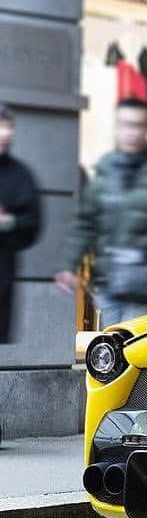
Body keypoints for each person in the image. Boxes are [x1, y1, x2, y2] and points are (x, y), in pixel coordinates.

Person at [55, 98, 147, 329]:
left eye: (138, 125)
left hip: (146, 284)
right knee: (112, 351)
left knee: (129, 350)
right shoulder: (105, 172)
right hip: (107, 283)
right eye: (126, 124)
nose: (132, 132)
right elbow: (86, 223)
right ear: (117, 127)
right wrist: (69, 264)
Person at [0, 105, 42, 345]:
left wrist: (8, 222)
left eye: (8, 128)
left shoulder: (20, 175)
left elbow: (32, 222)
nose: (4, 134)